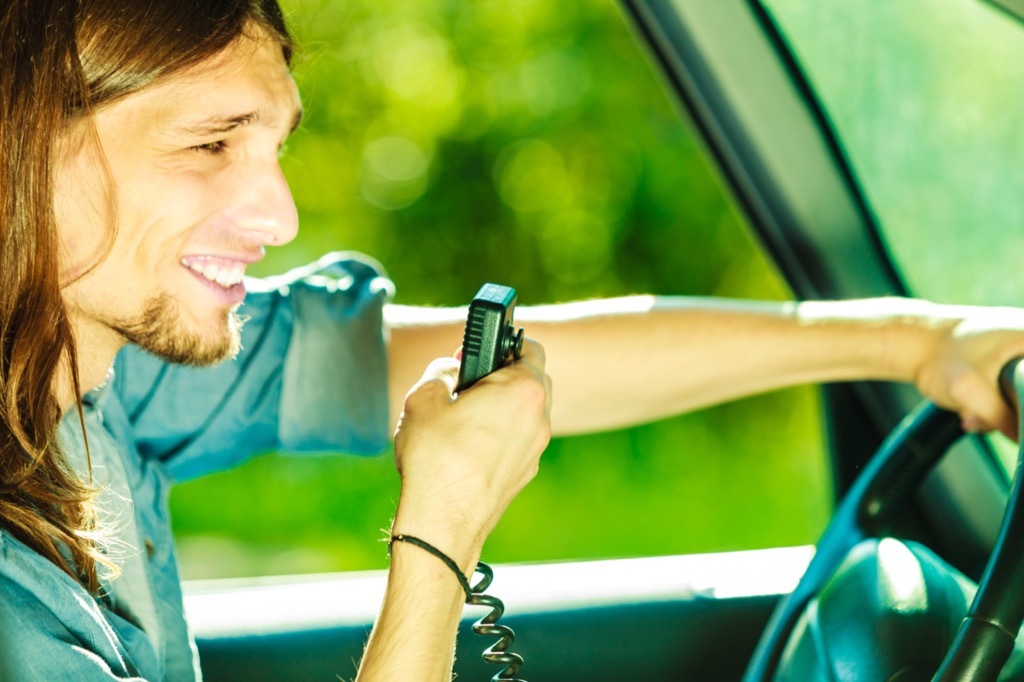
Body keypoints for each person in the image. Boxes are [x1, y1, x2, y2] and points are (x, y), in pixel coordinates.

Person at [1, 1, 1023, 680]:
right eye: (210, 143)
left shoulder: (106, 380)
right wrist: (439, 541)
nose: (278, 214)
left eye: (274, 143)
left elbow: (479, 365)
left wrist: (914, 342)